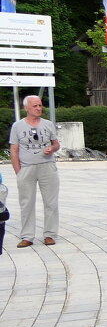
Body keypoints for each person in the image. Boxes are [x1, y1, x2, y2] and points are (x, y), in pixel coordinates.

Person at [8, 95, 61, 248]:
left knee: (51, 202)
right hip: (26, 168)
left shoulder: (48, 124)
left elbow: (56, 144)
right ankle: (27, 236)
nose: (39, 108)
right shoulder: (17, 126)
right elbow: (13, 150)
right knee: (26, 203)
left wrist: (53, 148)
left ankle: (50, 234)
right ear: (26, 108)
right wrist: (18, 171)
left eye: (40, 105)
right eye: (35, 106)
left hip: (47, 167)